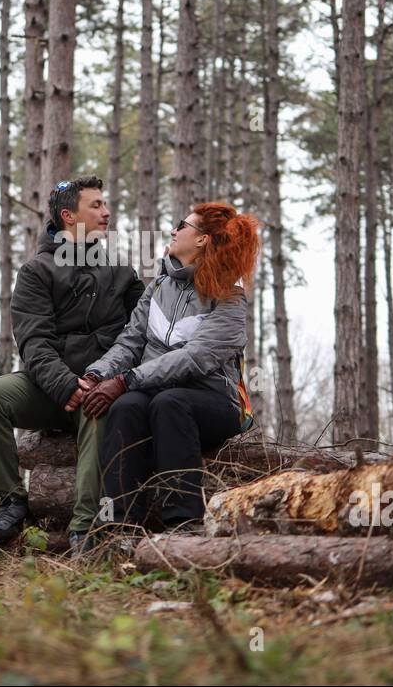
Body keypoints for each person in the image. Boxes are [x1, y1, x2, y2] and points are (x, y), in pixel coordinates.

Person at [0, 177, 144, 553]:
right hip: (51, 389)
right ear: (68, 216)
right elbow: (33, 341)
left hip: (102, 386)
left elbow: (143, 331)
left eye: (105, 204)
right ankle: (13, 502)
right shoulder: (36, 271)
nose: (106, 212)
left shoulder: (122, 272)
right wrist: (64, 384)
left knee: (97, 410)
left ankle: (85, 527)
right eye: (95, 205)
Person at [80, 202, 259, 538]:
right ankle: (119, 527)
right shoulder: (159, 287)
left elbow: (195, 358)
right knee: (127, 407)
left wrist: (128, 379)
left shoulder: (230, 298)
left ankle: (183, 524)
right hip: (153, 392)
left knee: (169, 403)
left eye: (182, 225)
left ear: (203, 240)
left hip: (215, 401)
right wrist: (97, 375)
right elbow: (129, 343)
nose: (174, 231)